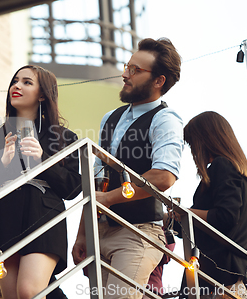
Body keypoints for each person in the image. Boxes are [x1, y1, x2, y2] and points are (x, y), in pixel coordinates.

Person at [72, 37, 183, 299]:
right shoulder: (109, 118)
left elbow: (164, 177)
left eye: (135, 70)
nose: (125, 75)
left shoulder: (165, 119)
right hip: (100, 230)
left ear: (159, 81)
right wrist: (83, 232)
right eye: (127, 66)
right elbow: (96, 179)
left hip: (139, 233)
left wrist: (110, 199)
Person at [0, 65, 81, 299]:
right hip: (2, 222)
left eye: (27, 82)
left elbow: (72, 188)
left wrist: (43, 161)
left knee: (29, 292)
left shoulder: (64, 138)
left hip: (43, 218)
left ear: (42, 94)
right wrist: (2, 166)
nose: (16, 86)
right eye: (15, 81)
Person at [178, 111, 247, 298]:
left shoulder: (222, 166)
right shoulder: (235, 170)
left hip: (222, 275)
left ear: (205, 139)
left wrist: (186, 213)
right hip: (232, 273)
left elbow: (225, 217)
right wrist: (175, 219)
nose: (192, 151)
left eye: (192, 143)